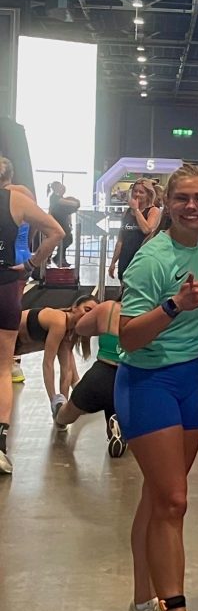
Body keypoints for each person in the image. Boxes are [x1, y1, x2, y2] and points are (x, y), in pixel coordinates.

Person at [116, 163, 198, 611]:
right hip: (148, 381)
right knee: (174, 500)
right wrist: (174, 305)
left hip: (191, 381)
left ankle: (142, 606)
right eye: (183, 199)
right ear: (167, 204)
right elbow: (128, 335)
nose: (192, 206)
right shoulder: (152, 258)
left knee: (159, 498)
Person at [0, 174, 64, 473]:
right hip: (6, 283)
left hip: (11, 278)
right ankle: (0, 447)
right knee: (3, 368)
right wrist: (31, 264)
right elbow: (56, 232)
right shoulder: (17, 197)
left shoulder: (18, 195)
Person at [51, 299, 127, 457]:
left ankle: (58, 408)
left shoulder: (108, 307)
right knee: (118, 407)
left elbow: (80, 328)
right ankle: (120, 427)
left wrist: (102, 326)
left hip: (102, 375)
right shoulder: (153, 312)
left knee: (64, 416)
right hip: (131, 377)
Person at [15, 297, 96, 421]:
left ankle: (72, 394)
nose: (87, 316)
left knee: (67, 356)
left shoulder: (69, 332)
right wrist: (53, 399)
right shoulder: (59, 321)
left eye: (92, 314)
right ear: (74, 307)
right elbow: (48, 363)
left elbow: (67, 369)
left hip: (16, 345)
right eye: (87, 309)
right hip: (8, 336)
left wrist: (63, 406)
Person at [1, 158, 34, 384]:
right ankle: (12, 360)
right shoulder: (24, 193)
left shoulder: (11, 194)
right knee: (14, 308)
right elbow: (35, 225)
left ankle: (11, 361)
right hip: (22, 252)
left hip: (11, 256)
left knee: (10, 311)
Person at [109, 179, 160, 282]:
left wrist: (136, 210)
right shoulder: (127, 212)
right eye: (135, 191)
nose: (137, 194)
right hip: (125, 258)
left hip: (142, 259)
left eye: (141, 192)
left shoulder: (153, 211)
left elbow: (147, 230)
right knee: (124, 286)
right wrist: (113, 262)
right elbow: (120, 240)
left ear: (148, 195)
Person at [47, 181, 80, 267]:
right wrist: (77, 203)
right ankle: (53, 258)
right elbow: (65, 203)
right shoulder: (54, 197)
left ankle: (59, 258)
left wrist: (70, 223)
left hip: (63, 223)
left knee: (67, 240)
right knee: (57, 241)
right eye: (61, 188)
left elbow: (68, 212)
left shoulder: (61, 198)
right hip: (57, 222)